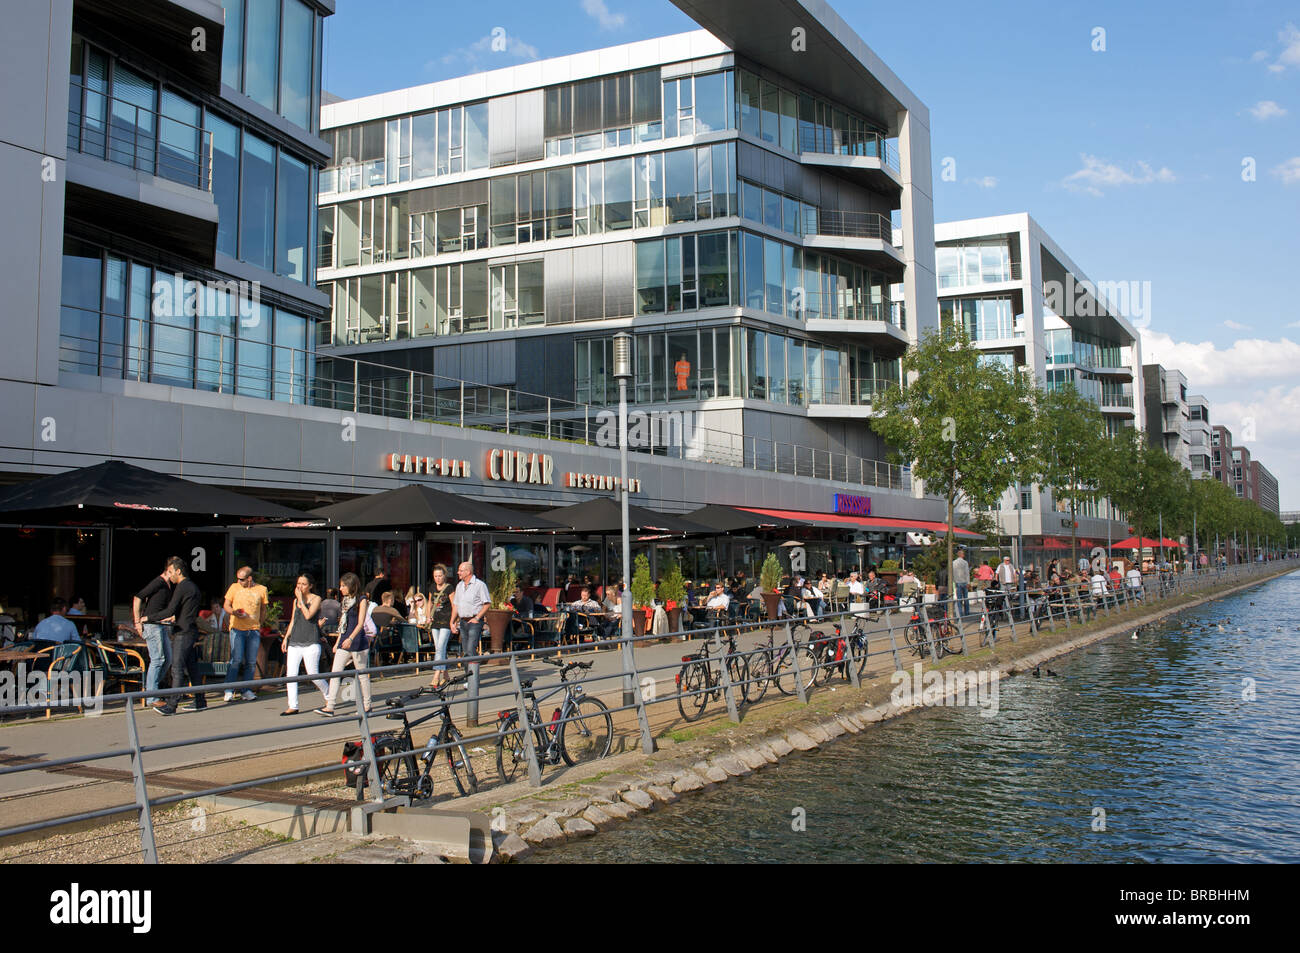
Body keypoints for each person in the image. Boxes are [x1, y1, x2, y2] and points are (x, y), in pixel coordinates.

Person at [140, 557, 205, 715]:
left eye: (170, 572)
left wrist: (148, 617)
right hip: (190, 629)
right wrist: (173, 617)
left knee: (176, 669)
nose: (169, 575)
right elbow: (184, 611)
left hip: (183, 632)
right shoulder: (193, 587)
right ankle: (200, 701)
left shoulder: (182, 587)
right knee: (192, 668)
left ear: (178, 571)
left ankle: (171, 705)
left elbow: (170, 610)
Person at [317, 573, 371, 716]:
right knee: (335, 673)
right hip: (344, 640)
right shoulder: (345, 601)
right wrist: (339, 641)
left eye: (343, 586)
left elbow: (360, 623)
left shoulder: (362, 600)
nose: (340, 588)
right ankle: (330, 706)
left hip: (357, 641)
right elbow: (343, 623)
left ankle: (367, 704)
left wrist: (351, 639)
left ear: (351, 585)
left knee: (362, 674)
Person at [281, 574, 328, 716]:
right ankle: (293, 705)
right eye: (298, 583)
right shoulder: (296, 601)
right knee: (291, 674)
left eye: (303, 584)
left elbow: (308, 615)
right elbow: (293, 620)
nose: (300, 586)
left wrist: (301, 600)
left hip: (310, 641)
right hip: (295, 640)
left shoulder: (316, 599)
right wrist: (286, 638)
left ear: (310, 586)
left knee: (312, 674)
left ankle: (328, 695)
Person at [223, 566, 268, 702]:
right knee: (236, 660)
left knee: (251, 661)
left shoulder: (261, 589)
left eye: (242, 579)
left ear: (249, 578)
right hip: (237, 628)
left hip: (253, 629)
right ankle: (229, 690)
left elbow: (264, 609)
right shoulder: (234, 587)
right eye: (238, 578)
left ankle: (246, 690)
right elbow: (226, 604)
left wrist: (259, 623)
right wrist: (233, 612)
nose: (239, 581)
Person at [133, 565, 174, 694]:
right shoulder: (158, 582)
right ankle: (151, 694)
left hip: (160, 624)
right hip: (151, 625)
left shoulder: (167, 585)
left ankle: (151, 687)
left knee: (167, 659)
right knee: (158, 659)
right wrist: (137, 622)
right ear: (169, 571)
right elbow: (138, 597)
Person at [450, 561, 489, 679]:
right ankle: (469, 676)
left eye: (461, 571)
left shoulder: (479, 585)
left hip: (474, 621)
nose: (458, 573)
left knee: (471, 649)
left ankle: (473, 678)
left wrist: (477, 618)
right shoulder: (459, 586)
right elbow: (456, 605)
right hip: (463, 621)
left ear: (468, 572)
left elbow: (487, 604)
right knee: (465, 650)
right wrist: (452, 621)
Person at [426, 565, 454, 689]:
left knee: (440, 647)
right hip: (435, 621)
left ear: (444, 576)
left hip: (446, 621)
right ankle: (446, 675)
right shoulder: (432, 587)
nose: (438, 578)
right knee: (439, 648)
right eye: (435, 576)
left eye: (440, 576)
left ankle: (436, 675)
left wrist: (453, 620)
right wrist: (428, 616)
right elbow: (429, 602)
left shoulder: (449, 588)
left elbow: (454, 605)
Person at [952, 548, 971, 618]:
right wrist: (968, 582)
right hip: (964, 582)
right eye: (963, 554)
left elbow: (952, 573)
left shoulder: (953, 562)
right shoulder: (965, 562)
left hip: (957, 582)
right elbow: (967, 573)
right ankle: (967, 612)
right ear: (961, 555)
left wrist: (953, 581)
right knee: (966, 598)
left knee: (959, 599)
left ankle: (959, 613)